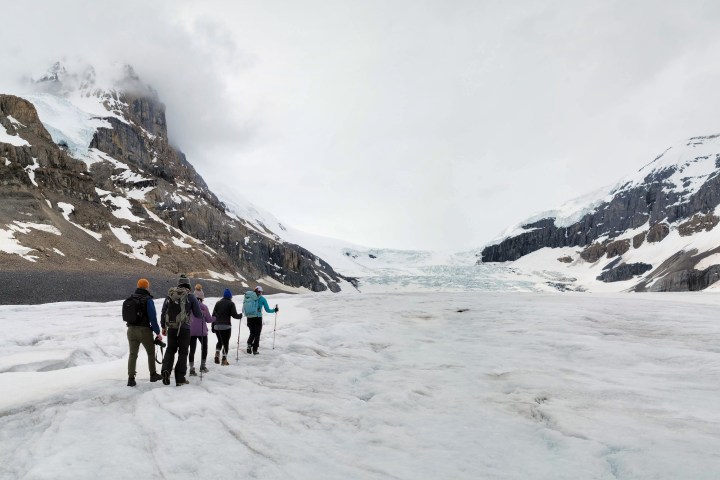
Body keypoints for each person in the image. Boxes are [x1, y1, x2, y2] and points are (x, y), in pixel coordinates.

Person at [160, 274, 202, 386]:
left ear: (179, 283)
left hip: (172, 328)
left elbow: (164, 311)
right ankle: (180, 378)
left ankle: (166, 370)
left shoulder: (170, 295)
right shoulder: (191, 296)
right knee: (183, 352)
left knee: (170, 349)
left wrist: (163, 326)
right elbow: (198, 314)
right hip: (184, 328)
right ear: (188, 284)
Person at [125, 278, 163, 386]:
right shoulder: (148, 299)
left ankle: (131, 379)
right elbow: (153, 318)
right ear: (146, 287)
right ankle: (153, 375)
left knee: (133, 354)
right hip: (144, 330)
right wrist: (157, 332)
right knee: (150, 352)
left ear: (138, 286)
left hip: (131, 330)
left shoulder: (131, 298)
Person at [211, 288, 242, 365]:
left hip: (217, 326)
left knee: (219, 341)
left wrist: (213, 326)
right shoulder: (231, 304)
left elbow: (213, 315)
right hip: (226, 326)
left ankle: (217, 353)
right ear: (230, 296)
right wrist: (240, 316)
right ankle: (224, 360)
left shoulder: (218, 303)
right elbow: (234, 315)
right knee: (226, 343)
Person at [188, 284, 214, 376]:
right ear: (202, 297)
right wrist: (215, 317)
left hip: (191, 331)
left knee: (192, 350)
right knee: (204, 348)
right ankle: (202, 366)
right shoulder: (204, 307)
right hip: (202, 332)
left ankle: (191, 369)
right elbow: (209, 320)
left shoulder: (189, 306)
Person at [245, 285, 278, 355]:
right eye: (261, 292)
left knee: (252, 333)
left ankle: (249, 345)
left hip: (249, 318)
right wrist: (274, 310)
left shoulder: (249, 297)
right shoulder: (262, 299)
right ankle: (255, 350)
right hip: (258, 318)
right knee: (257, 334)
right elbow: (268, 310)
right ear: (260, 292)